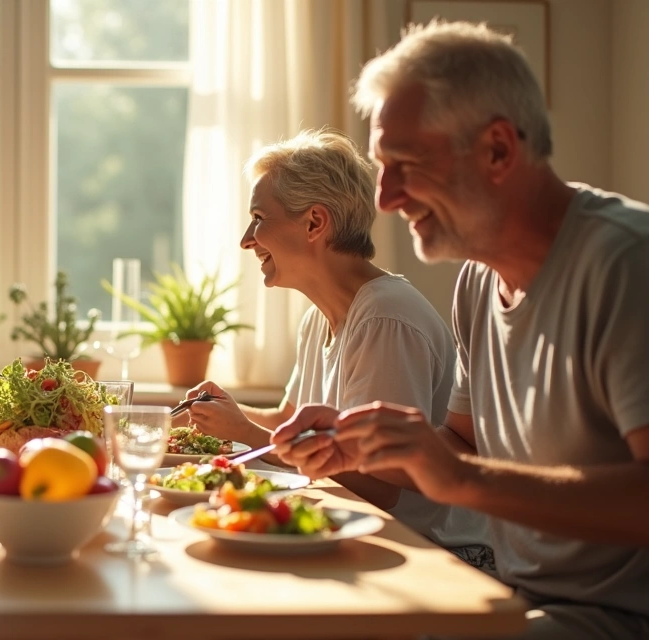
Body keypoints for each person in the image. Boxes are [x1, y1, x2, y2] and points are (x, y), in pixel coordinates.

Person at [273, 21, 649, 638]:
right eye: (380, 167)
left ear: (499, 150)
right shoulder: (477, 281)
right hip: (511, 595)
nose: (387, 198)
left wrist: (462, 479)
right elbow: (463, 445)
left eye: (406, 165)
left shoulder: (624, 265)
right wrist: (368, 444)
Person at [181, 129, 491, 567]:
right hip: (370, 537)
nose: (247, 239)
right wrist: (232, 412)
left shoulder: (385, 316)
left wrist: (246, 433)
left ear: (314, 222)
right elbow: (288, 420)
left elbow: (382, 484)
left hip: (436, 554)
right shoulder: (319, 317)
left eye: (258, 217)